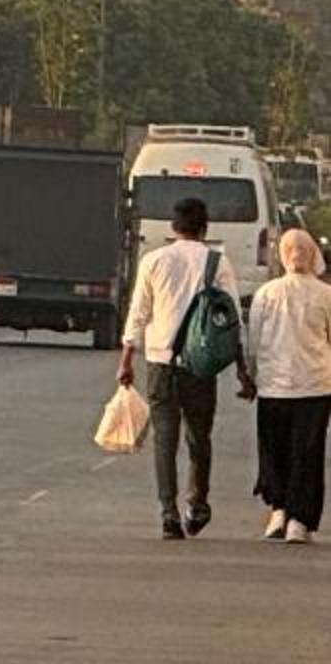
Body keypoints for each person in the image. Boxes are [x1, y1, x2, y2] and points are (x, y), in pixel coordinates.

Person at [121, 194, 229, 538]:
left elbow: (139, 312)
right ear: (204, 227)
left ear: (173, 227)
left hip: (160, 362)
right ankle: (197, 504)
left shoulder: (153, 261)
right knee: (199, 437)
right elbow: (231, 319)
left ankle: (167, 513)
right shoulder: (217, 263)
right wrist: (242, 366)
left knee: (164, 439)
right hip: (200, 365)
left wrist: (126, 360)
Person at [245, 226, 331, 541]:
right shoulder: (326, 295)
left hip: (273, 388)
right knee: (307, 454)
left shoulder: (267, 293)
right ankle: (300, 520)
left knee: (274, 450)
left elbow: (253, 342)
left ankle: (278, 510)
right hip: (316, 388)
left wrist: (251, 376)